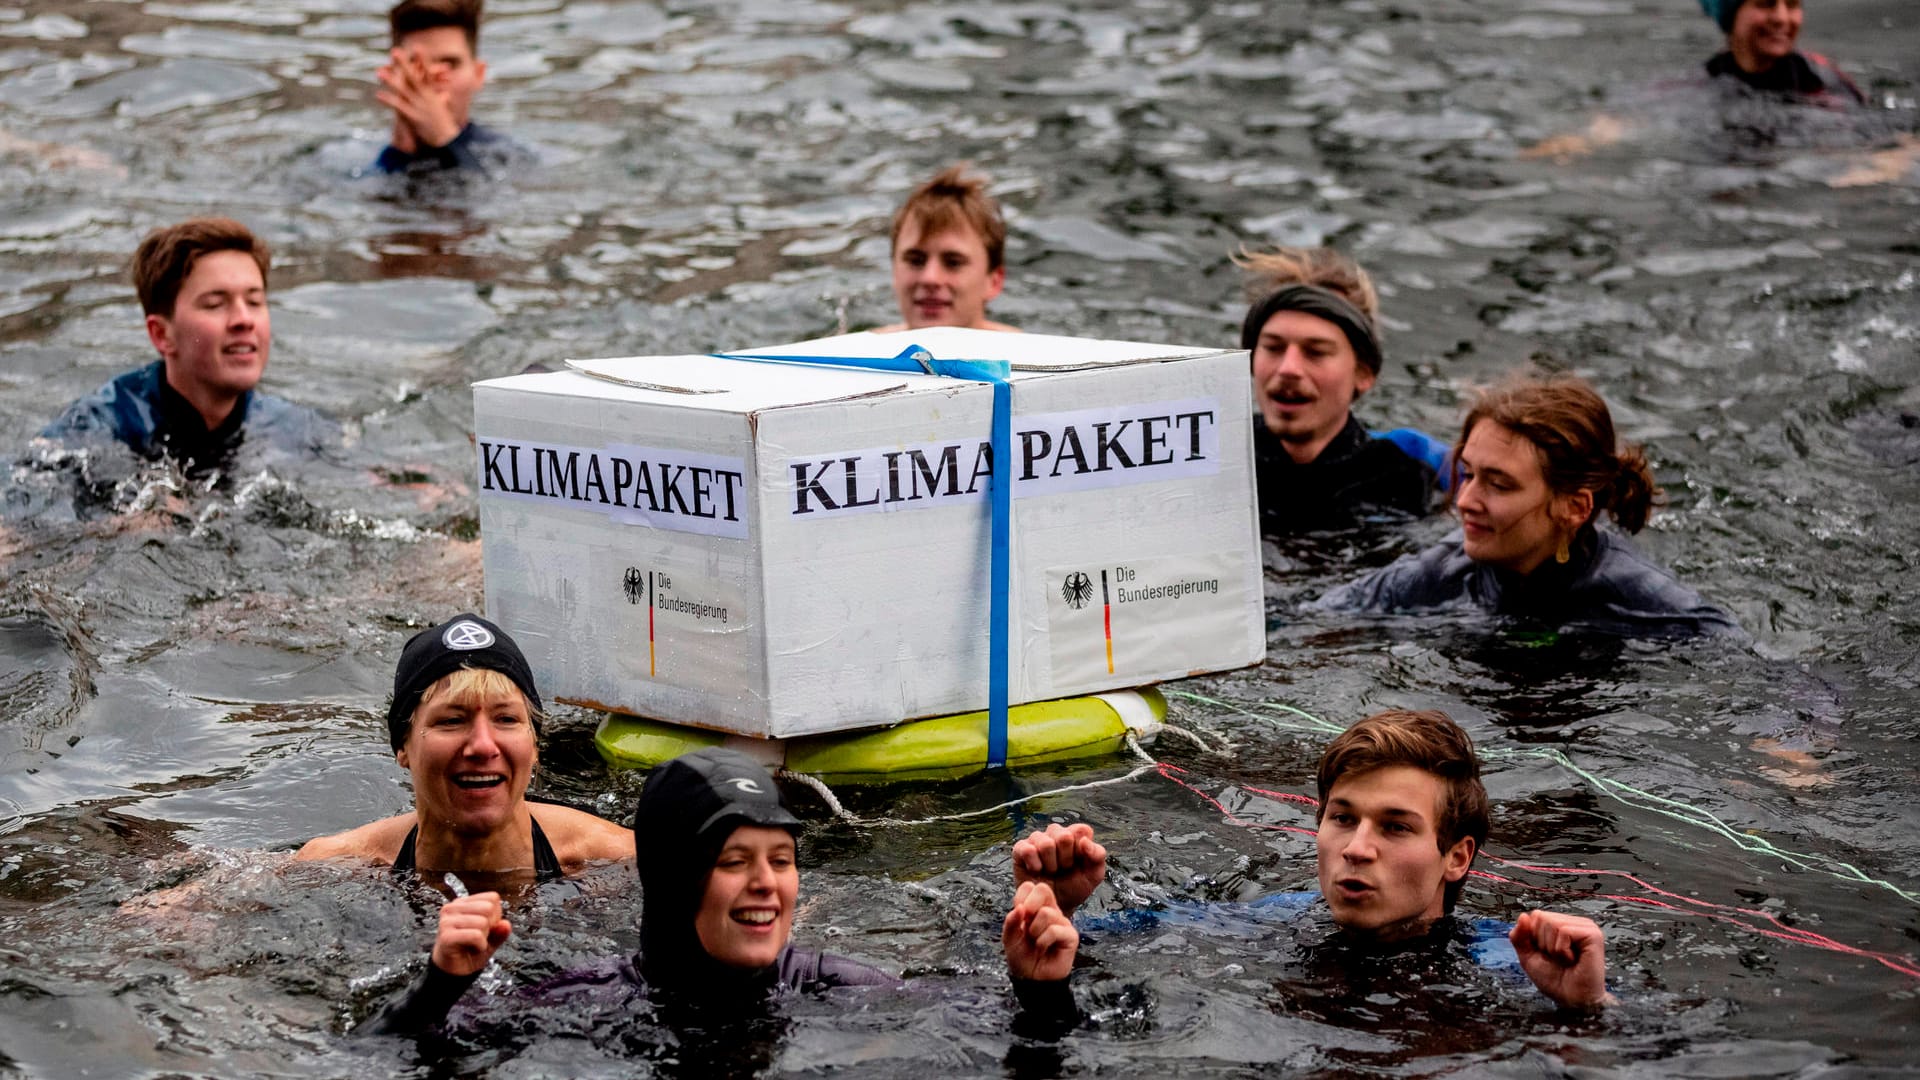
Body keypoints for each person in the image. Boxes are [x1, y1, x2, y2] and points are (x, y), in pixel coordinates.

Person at [363, 747, 1080, 1034]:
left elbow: (1027, 1041)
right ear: (675, 879)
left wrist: (1044, 982)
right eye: (736, 860)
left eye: (782, 858)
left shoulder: (840, 988)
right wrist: (440, 984)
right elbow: (387, 1056)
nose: (768, 884)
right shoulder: (586, 1002)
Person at [1020, 710, 1616, 1011]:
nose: (1357, 847)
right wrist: (1057, 916)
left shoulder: (1508, 964)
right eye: (1342, 818)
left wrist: (1586, 1013)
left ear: (1456, 858)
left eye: (1396, 827)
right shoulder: (1266, 921)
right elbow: (1088, 956)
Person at [1314, 373, 1739, 637]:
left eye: (1498, 485)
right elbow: (1310, 618)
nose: (1464, 501)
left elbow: (1759, 674)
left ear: (1573, 507)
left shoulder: (1637, 598)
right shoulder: (1442, 572)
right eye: (1468, 473)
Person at [296, 613, 634, 881]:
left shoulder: (617, 860)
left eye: (505, 719)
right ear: (402, 747)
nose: (483, 746)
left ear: (534, 745)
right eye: (451, 721)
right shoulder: (333, 866)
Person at [37, 218, 334, 474]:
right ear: (161, 335)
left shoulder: (293, 427)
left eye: (255, 301)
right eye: (215, 304)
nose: (244, 320)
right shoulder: (96, 430)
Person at [1235, 246, 1441, 534]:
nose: (1288, 369)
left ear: (1363, 373)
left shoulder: (1402, 481)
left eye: (1316, 352)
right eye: (1273, 348)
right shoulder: (1215, 458)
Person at [371, 0, 525, 178]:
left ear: (478, 74)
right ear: (393, 74)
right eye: (416, 64)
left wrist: (445, 139)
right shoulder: (358, 152)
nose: (433, 76)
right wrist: (399, 152)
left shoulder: (511, 156)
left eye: (450, 63)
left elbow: (487, 199)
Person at [877, 164, 1018, 333]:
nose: (930, 278)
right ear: (894, 272)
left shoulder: (1031, 355)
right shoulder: (857, 350)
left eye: (953, 263)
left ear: (994, 282)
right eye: (915, 261)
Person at [1699, 0, 1864, 106]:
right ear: (1731, 18)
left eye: (1792, 5)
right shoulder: (1698, 87)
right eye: (1765, 4)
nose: (1781, 18)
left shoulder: (1825, 83)